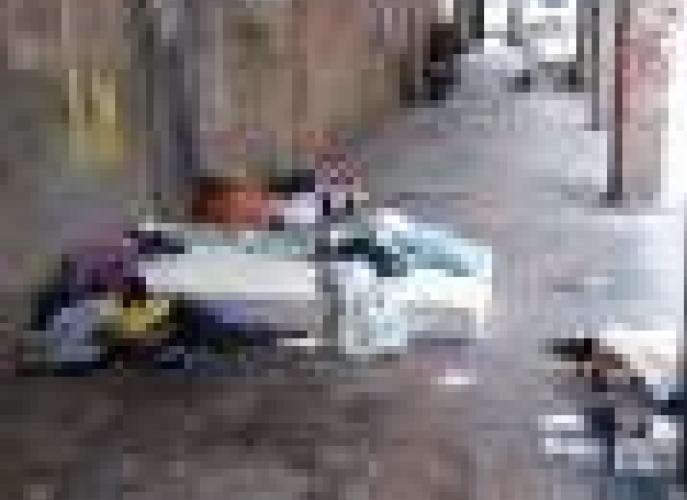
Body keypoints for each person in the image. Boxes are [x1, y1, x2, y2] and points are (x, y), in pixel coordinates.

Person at [22, 0, 488, 374]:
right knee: (366, 238)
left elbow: (278, 220)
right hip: (254, 248)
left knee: (373, 234)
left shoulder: (255, 215)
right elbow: (264, 226)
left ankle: (445, 262)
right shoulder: (211, 234)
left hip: (277, 238)